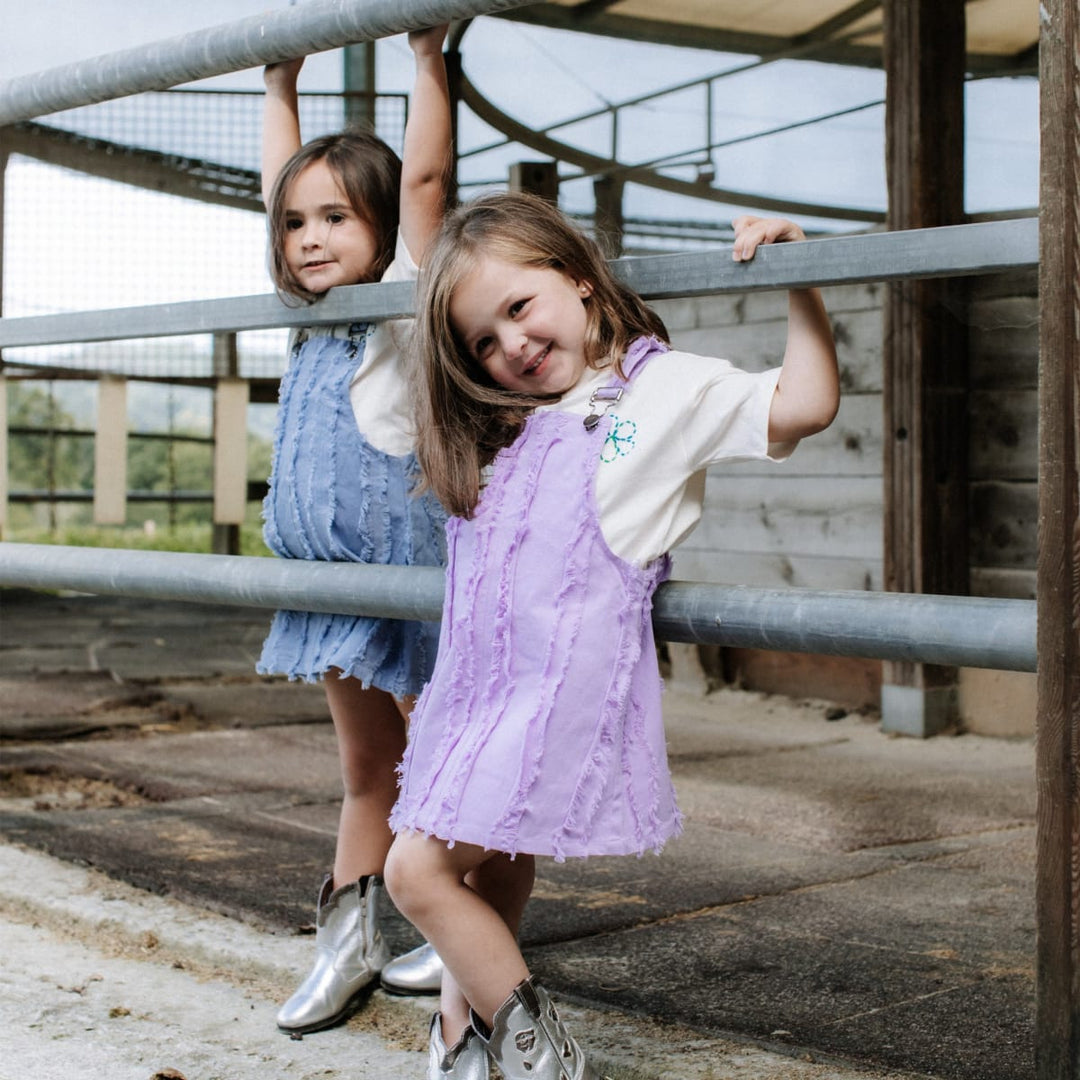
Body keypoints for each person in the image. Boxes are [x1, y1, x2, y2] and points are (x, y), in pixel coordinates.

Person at [383, 191, 839, 1079]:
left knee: (414, 872)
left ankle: (543, 1059)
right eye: (484, 341)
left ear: (581, 280)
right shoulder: (512, 422)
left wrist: (802, 274)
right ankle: (461, 1034)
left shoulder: (660, 391)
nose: (512, 344)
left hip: (555, 695)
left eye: (520, 306)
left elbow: (803, 405)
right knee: (494, 859)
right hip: (480, 692)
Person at [257, 26, 450, 1035]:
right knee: (366, 767)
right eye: (297, 224)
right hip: (328, 585)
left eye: (337, 217)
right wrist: (278, 84)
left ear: (384, 230)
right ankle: (350, 936)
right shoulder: (303, 318)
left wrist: (427, 62)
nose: (309, 237)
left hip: (404, 580)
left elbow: (426, 181)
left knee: (441, 758)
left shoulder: (404, 306)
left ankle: (457, 919)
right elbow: (276, 187)